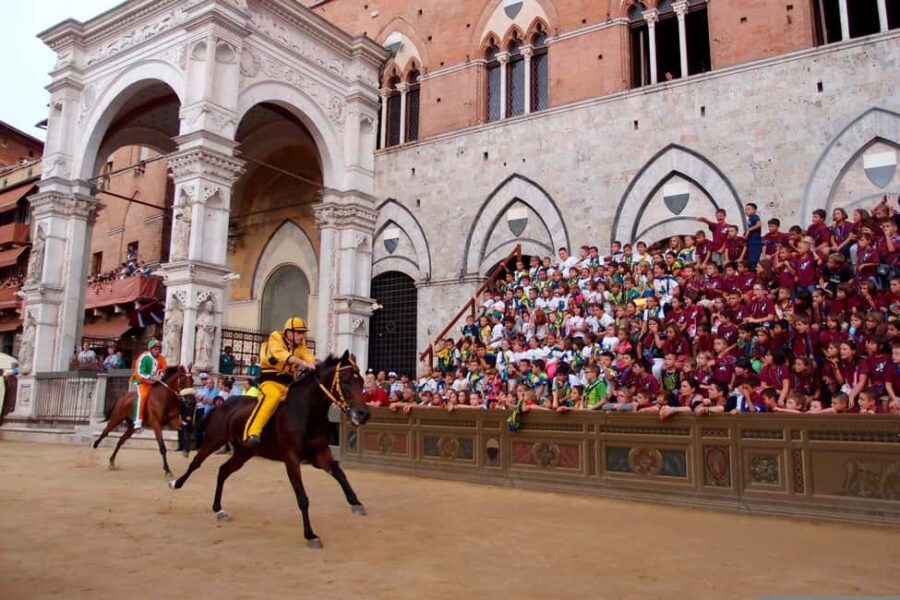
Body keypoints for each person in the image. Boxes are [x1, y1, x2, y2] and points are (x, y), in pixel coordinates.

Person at [242, 317, 317, 446]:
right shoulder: (275, 337)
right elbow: (280, 354)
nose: (302, 335)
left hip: (288, 384)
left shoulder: (301, 344)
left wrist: (317, 363)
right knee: (272, 396)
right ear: (289, 333)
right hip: (270, 381)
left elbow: (308, 356)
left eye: (303, 332)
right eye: (299, 332)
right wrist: (303, 363)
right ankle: (251, 433)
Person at [130, 339, 168, 431]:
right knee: (143, 396)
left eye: (158, 349)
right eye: (155, 349)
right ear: (151, 349)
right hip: (142, 382)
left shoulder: (161, 358)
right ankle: (138, 421)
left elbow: (164, 368)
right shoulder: (144, 357)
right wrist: (151, 377)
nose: (157, 351)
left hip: (155, 382)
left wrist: (160, 375)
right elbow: (139, 372)